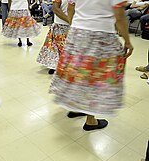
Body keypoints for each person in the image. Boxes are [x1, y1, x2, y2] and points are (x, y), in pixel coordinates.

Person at [49, 0, 133, 131]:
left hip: (77, 32)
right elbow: (120, 15)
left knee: (76, 71)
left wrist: (76, 27)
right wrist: (127, 41)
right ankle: (90, 120)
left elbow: (71, 8)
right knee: (94, 77)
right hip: (101, 34)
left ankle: (75, 107)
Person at [37, 0, 69, 75]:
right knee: (55, 47)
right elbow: (55, 9)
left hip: (72, 25)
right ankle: (54, 65)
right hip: (60, 24)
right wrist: (69, 20)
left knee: (64, 47)